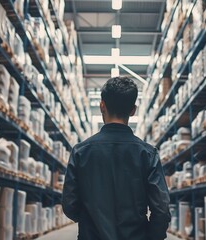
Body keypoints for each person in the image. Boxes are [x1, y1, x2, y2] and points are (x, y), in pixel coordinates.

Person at [62, 76, 171, 240]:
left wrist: (91, 222)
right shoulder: (148, 154)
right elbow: (161, 209)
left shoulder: (80, 152)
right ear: (133, 110)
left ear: (101, 106)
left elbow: (70, 204)